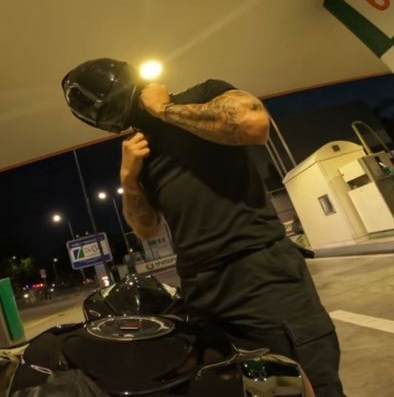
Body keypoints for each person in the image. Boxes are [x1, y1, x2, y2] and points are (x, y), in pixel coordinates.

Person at [62, 58, 344, 396]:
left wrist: (165, 109)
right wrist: (129, 178)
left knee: (301, 382)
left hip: (260, 278)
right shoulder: (140, 153)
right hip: (201, 292)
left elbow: (254, 124)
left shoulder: (205, 93)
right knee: (246, 387)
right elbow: (147, 228)